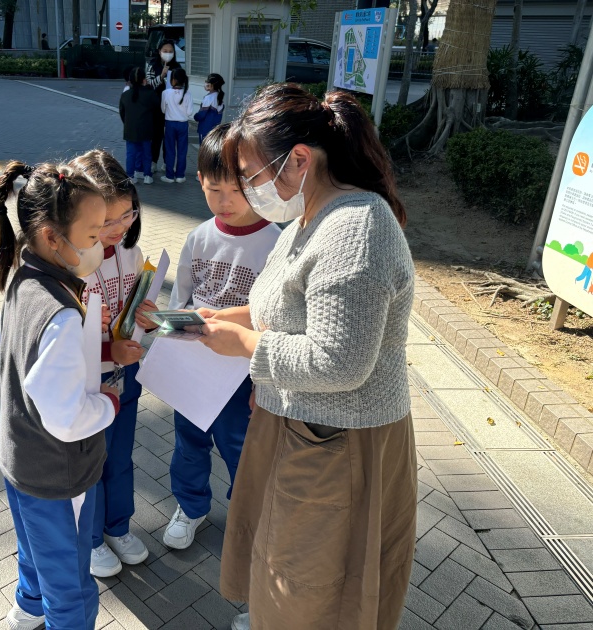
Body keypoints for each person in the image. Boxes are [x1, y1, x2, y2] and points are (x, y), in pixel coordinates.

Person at [194, 84, 417, 630]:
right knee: (285, 568)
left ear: (298, 160)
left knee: (311, 585)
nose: (248, 191)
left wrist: (245, 345)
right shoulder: (310, 215)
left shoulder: (356, 227)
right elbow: (283, 305)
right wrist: (226, 317)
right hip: (303, 428)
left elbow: (339, 360)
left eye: (251, 175)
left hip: (339, 440)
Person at [0, 159, 120, 630]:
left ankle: (27, 609)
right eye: (92, 234)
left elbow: (6, 344)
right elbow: (67, 419)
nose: (101, 244)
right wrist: (109, 402)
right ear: (52, 237)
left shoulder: (23, 279)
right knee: (70, 583)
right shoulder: (61, 313)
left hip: (20, 459)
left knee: (35, 551)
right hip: (58, 474)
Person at [163, 124, 281, 550]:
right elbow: (181, 299)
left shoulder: (274, 243)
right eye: (215, 190)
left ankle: (246, 518)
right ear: (200, 181)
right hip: (195, 367)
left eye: (237, 190)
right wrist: (167, 343)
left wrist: (264, 383)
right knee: (188, 443)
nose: (225, 202)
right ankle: (190, 506)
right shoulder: (198, 237)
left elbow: (277, 319)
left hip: (243, 374)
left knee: (241, 450)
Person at [69, 150, 158, 579]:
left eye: (128, 214)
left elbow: (133, 307)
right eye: (107, 221)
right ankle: (89, 539)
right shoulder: (70, 263)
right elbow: (62, 345)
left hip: (126, 376)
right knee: (91, 463)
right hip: (88, 383)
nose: (119, 228)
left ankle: (117, 527)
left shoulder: (130, 250)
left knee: (120, 457)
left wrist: (146, 318)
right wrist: (109, 353)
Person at [145, 39, 181, 174]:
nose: (168, 53)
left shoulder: (177, 67)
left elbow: (182, 86)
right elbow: (149, 86)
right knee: (156, 135)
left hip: (172, 108)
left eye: (170, 51)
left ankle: (167, 163)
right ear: (159, 51)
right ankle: (153, 162)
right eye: (165, 51)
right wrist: (161, 76)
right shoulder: (152, 66)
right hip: (155, 107)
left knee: (169, 137)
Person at [119, 67, 159, 185]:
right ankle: (147, 175)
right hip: (146, 128)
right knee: (147, 153)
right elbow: (157, 109)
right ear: (144, 79)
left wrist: (127, 123)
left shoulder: (125, 95)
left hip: (130, 128)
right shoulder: (150, 94)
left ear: (130, 80)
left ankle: (130, 176)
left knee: (131, 153)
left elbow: (122, 112)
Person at [160, 67, 192, 184]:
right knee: (182, 150)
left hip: (170, 124)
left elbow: (163, 110)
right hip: (183, 124)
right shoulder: (188, 94)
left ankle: (169, 176)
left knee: (170, 150)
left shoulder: (165, 93)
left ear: (173, 80)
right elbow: (189, 112)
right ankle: (180, 176)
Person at [194, 73, 225, 144]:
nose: (206, 83)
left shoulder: (208, 98)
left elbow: (201, 115)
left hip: (205, 129)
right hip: (215, 130)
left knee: (203, 149)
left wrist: (195, 116)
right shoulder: (219, 97)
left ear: (212, 85)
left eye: (208, 82)